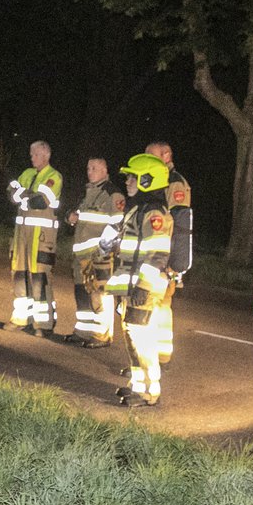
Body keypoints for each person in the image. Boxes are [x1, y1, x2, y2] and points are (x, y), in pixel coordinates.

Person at [98, 153, 174, 406]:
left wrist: (143, 286)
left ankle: (150, 391)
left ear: (148, 180)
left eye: (133, 177)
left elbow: (158, 254)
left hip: (144, 286)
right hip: (131, 284)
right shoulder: (138, 209)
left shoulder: (155, 214)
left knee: (143, 339)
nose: (128, 181)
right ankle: (138, 385)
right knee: (132, 336)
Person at [4, 140, 63, 335]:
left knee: (39, 278)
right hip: (21, 234)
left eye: (35, 154)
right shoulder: (26, 174)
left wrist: (23, 195)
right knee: (19, 275)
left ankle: (43, 325)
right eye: (31, 154)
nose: (32, 158)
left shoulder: (54, 176)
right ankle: (21, 318)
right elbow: (11, 193)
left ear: (46, 156)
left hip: (42, 237)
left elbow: (40, 201)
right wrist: (25, 195)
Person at [66, 157, 123, 348]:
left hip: (99, 256)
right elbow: (80, 216)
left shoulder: (111, 194)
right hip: (81, 255)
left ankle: (102, 334)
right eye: (88, 168)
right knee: (82, 293)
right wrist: (71, 217)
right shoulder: (89, 193)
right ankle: (83, 331)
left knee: (101, 294)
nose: (90, 171)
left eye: (94, 168)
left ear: (105, 171)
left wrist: (103, 250)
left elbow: (118, 224)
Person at [145, 140, 193, 364]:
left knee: (159, 304)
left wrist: (174, 262)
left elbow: (180, 225)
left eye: (150, 155)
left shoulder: (174, 183)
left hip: (164, 256)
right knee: (152, 303)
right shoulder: (156, 180)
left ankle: (157, 357)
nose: (145, 159)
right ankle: (154, 355)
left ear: (166, 156)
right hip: (153, 254)